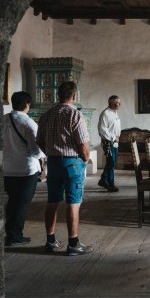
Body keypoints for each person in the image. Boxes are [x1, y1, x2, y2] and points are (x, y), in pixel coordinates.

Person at [36, 81, 93, 256]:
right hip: (72, 163)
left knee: (52, 201)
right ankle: (73, 243)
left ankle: (50, 241)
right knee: (73, 202)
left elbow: (39, 141)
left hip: (53, 162)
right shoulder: (75, 115)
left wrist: (52, 153)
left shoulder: (47, 115)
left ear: (57, 95)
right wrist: (85, 158)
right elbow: (83, 144)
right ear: (74, 96)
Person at [2, 91, 45, 247]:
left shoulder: (3, 119)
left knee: (12, 201)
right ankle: (15, 236)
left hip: (7, 169)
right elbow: (36, 150)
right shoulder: (28, 123)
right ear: (27, 104)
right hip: (25, 170)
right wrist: (43, 153)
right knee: (21, 204)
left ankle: (11, 233)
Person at [97, 95, 122, 192]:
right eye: (117, 102)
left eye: (119, 102)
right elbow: (102, 130)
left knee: (111, 162)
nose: (119, 104)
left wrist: (117, 137)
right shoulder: (105, 113)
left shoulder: (115, 112)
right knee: (111, 162)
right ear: (111, 103)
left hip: (115, 142)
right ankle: (111, 184)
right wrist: (113, 138)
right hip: (109, 142)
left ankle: (103, 180)